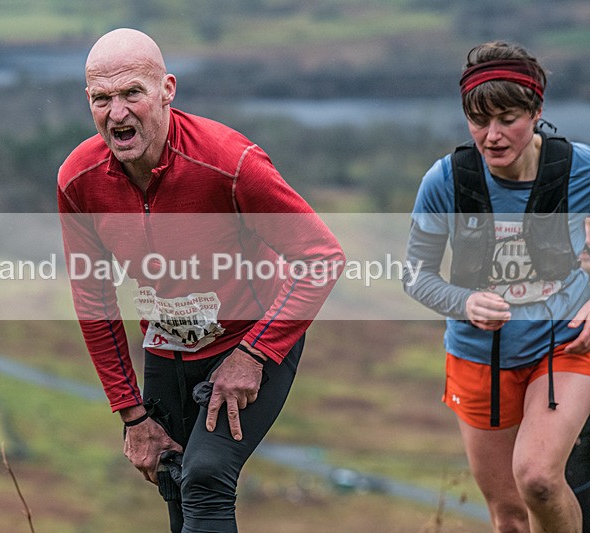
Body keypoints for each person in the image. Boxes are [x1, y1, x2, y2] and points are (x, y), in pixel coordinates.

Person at [57, 28, 344, 532]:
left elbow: (322, 257)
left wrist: (255, 354)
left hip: (252, 339)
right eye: (102, 99)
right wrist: (131, 415)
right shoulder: (78, 181)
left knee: (206, 477)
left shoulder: (230, 163)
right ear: (88, 100)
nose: (117, 113)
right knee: (175, 484)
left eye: (132, 94)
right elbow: (93, 301)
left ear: (167, 90)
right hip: (166, 349)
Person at [403, 41, 590, 532]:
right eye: (479, 120)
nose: (493, 135)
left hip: (565, 345)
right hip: (479, 356)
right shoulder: (446, 180)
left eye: (508, 118)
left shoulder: (580, 169)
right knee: (509, 516)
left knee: (539, 479)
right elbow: (415, 274)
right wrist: (463, 300)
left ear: (537, 111)